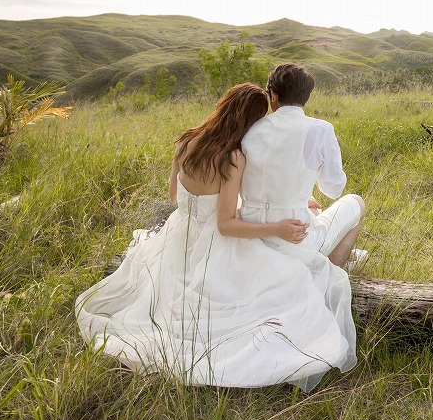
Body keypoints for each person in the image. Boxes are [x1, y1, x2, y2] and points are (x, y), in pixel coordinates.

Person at [75, 83, 356, 390]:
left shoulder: (187, 140)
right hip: (214, 242)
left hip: (178, 236)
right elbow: (225, 225)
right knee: (287, 288)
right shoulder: (232, 158)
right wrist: (275, 229)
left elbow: (174, 197)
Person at [242, 63, 367, 270]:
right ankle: (329, 271)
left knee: (313, 210)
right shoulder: (320, 129)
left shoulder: (251, 128)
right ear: (306, 96)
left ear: (273, 94)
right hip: (296, 237)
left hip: (251, 232)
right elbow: (333, 190)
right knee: (357, 202)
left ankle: (344, 259)